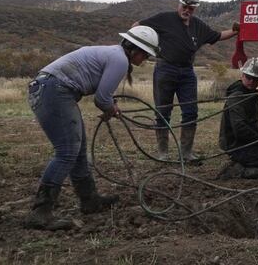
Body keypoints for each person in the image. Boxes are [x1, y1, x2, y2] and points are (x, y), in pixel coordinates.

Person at [24, 26, 160, 230]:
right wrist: (111, 108)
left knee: (77, 150)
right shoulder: (120, 59)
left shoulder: (114, 53)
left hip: (52, 89)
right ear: (136, 49)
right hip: (54, 91)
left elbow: (104, 95)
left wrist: (109, 105)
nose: (145, 60)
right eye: (146, 55)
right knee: (67, 151)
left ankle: (89, 201)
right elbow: (102, 98)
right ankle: (40, 212)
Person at [135, 0, 239, 161]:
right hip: (165, 69)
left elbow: (218, 36)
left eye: (191, 8)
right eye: (185, 6)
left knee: (191, 112)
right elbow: (138, 25)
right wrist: (142, 46)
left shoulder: (198, 25)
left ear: (195, 9)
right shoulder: (164, 18)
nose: (187, 10)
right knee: (163, 112)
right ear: (179, 4)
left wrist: (235, 31)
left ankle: (186, 153)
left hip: (187, 72)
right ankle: (163, 154)